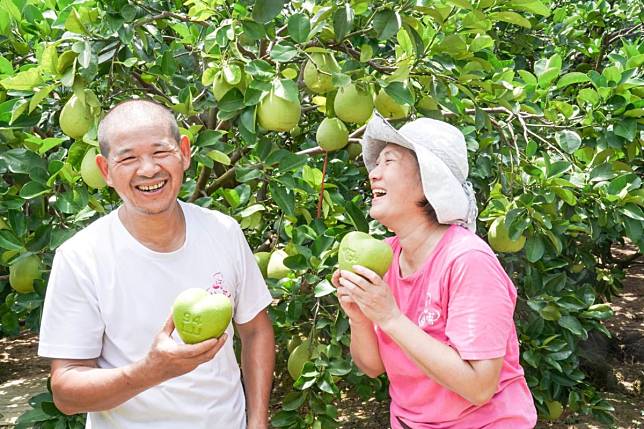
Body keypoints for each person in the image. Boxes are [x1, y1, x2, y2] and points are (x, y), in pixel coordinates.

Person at [38, 99, 275, 429]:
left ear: (185, 152)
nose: (148, 169)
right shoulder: (81, 258)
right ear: (105, 170)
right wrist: (150, 372)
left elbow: (256, 331)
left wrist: (257, 421)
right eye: (128, 158)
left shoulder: (223, 232)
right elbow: (66, 392)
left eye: (160, 152)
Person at [332, 113, 537, 428]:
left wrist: (389, 317)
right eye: (376, 165)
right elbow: (372, 366)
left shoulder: (467, 260)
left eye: (389, 162)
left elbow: (479, 387)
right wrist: (359, 316)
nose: (374, 174)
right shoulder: (386, 256)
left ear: (428, 181)